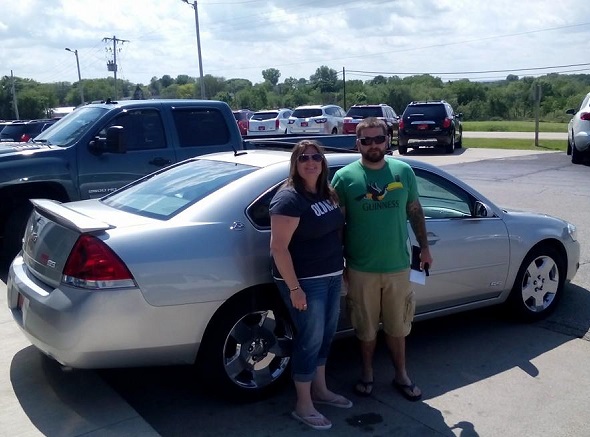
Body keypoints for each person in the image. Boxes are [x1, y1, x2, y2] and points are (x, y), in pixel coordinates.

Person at [331, 117, 433, 401]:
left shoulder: (404, 171)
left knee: (398, 326)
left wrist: (424, 247)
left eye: (379, 139)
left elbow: (414, 210)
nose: (373, 145)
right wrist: (340, 263)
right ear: (358, 143)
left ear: (388, 140)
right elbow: (337, 225)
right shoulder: (344, 177)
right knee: (364, 328)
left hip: (398, 266)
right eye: (367, 140)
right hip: (360, 268)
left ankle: (401, 375)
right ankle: (367, 374)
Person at [270, 140, 352, 431]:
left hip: (330, 275)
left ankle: (321, 390)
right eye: (304, 157)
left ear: (323, 161)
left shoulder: (326, 192)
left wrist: (341, 269)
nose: (311, 162)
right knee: (309, 338)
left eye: (316, 156)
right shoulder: (289, 198)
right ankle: (303, 405)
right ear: (295, 163)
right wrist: (294, 289)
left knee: (326, 335)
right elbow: (278, 248)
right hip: (305, 281)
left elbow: (335, 234)